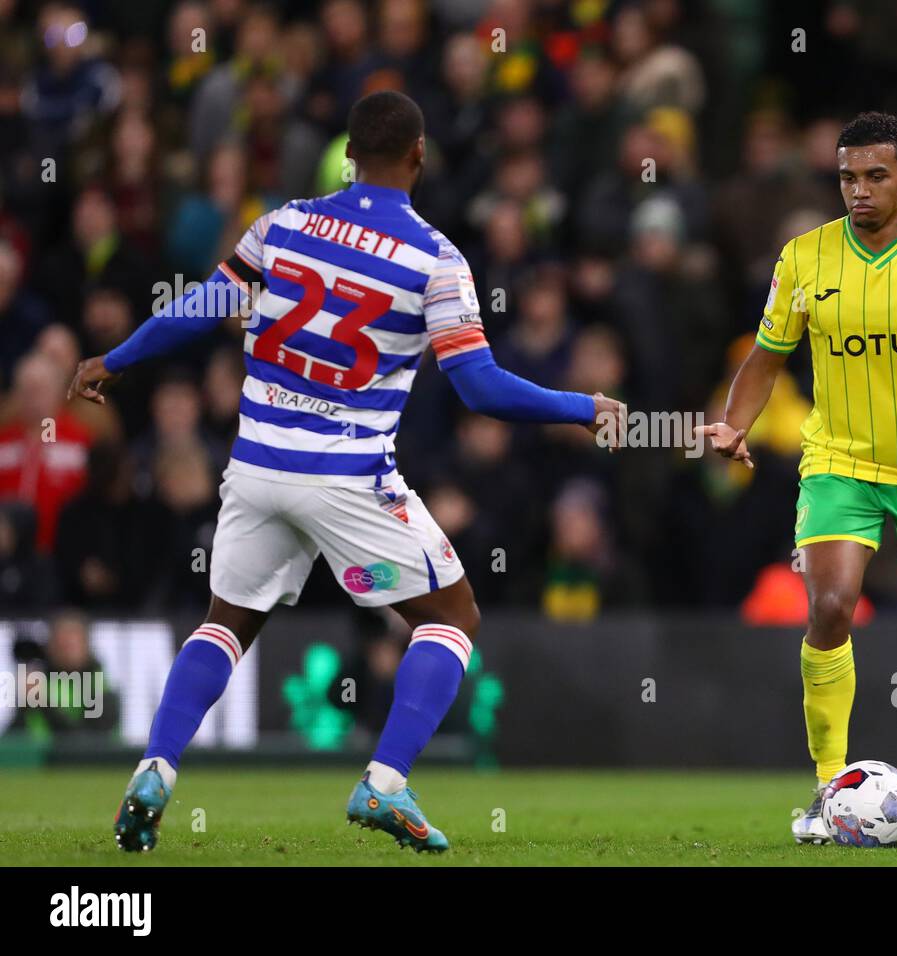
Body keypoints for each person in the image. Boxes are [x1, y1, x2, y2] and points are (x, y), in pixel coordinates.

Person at [68, 90, 625, 854]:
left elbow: (198, 307)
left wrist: (116, 360)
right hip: (346, 476)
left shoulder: (283, 223)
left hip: (256, 468)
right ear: (420, 156)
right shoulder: (436, 258)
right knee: (452, 618)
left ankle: (155, 768)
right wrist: (581, 405)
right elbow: (480, 388)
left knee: (224, 623)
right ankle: (386, 782)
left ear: (348, 154)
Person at [696, 111, 897, 848]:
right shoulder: (804, 259)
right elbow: (766, 356)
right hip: (839, 461)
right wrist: (735, 423)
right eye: (848, 177)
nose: (859, 190)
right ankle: (827, 787)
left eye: (876, 177)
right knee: (832, 606)